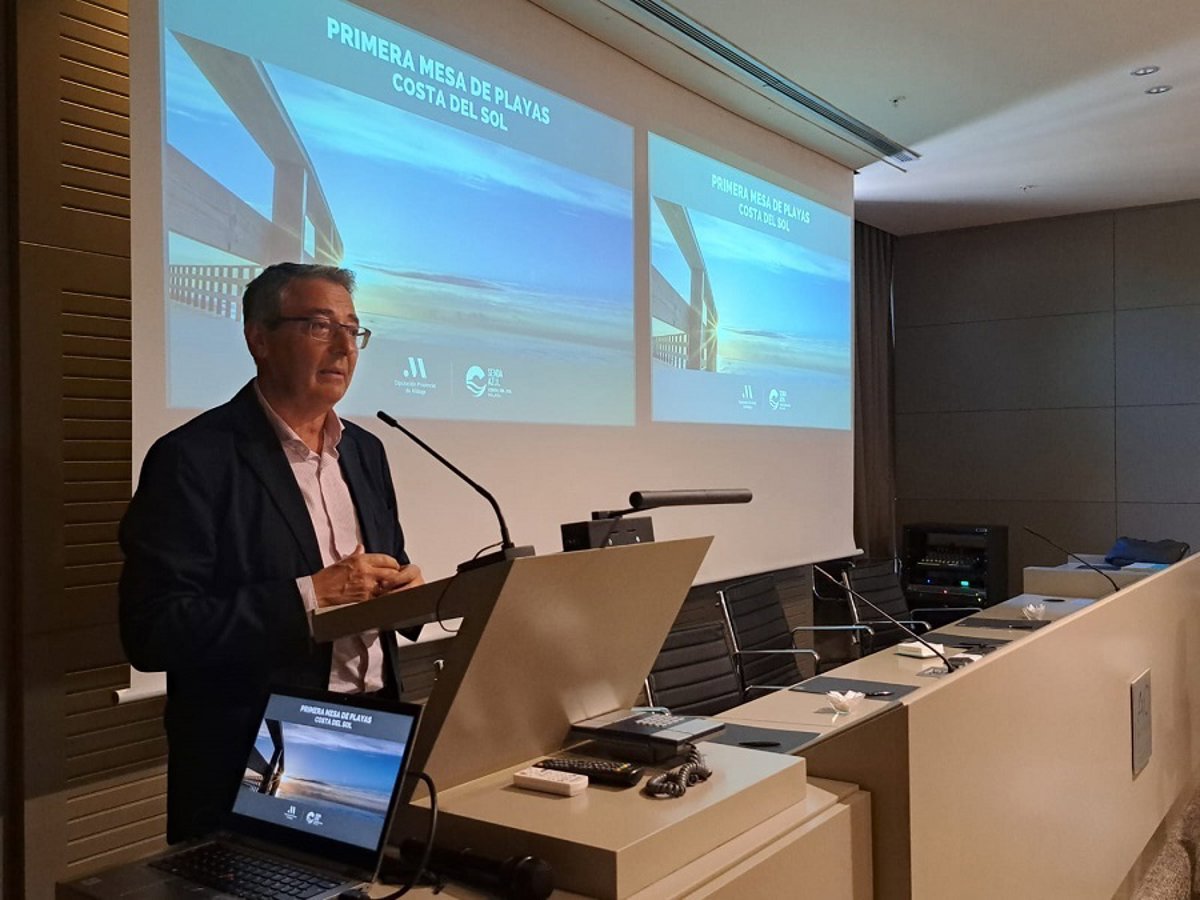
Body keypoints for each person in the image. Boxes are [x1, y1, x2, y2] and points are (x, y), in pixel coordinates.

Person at [119, 262, 423, 842]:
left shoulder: (366, 451)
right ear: (259, 338)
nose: (343, 348)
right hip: (254, 746)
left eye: (353, 330)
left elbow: (381, 576)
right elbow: (153, 631)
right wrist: (309, 595)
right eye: (319, 326)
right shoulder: (194, 459)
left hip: (372, 727)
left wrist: (404, 592)